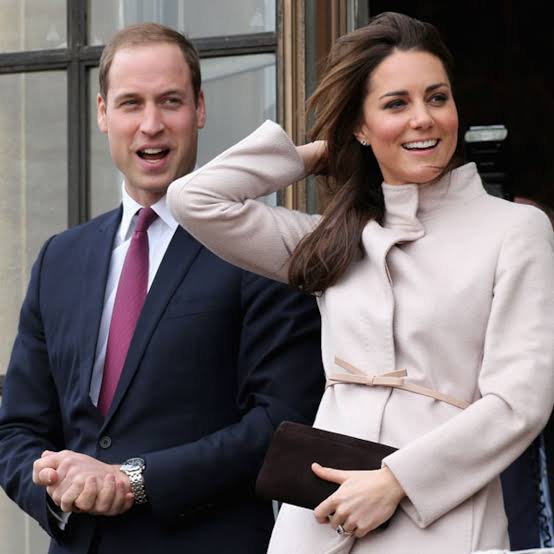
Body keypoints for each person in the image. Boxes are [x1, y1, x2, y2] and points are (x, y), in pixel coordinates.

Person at [167, 11, 554, 554]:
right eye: (396, 104)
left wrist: (397, 480)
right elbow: (195, 200)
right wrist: (332, 149)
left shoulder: (516, 230)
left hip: (442, 517)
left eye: (437, 98)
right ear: (360, 124)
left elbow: (521, 400)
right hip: (318, 519)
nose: (423, 118)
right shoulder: (334, 241)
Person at [0, 23, 325, 554]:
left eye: (170, 101)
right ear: (103, 113)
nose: (151, 125)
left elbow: (282, 421)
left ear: (199, 109)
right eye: (131, 104)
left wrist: (134, 479)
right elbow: (15, 430)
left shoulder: (261, 248)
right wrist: (59, 490)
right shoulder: (61, 258)